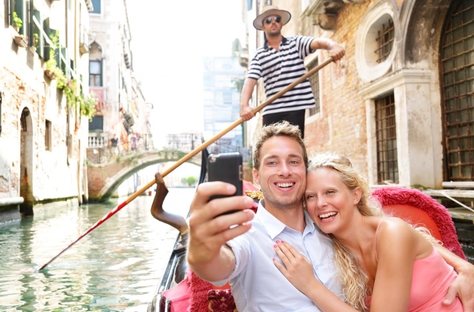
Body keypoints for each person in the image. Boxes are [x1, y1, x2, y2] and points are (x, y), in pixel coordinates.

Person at [186, 120, 474, 311]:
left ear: (303, 172)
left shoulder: (326, 225)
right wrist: (201, 248)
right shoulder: (246, 234)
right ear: (257, 176)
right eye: (273, 162)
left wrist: (465, 267)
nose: (285, 170)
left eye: (294, 161)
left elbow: (403, 237)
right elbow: (217, 265)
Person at [274, 153, 464, 311]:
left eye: (330, 192)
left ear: (356, 195)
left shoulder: (392, 232)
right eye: (311, 196)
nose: (321, 203)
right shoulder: (331, 250)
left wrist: (310, 286)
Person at [239, 5, 345, 138]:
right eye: (268, 20)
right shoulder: (259, 54)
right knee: (269, 150)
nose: (273, 22)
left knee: (294, 149)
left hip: (295, 108)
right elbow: (250, 80)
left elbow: (318, 42)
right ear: (262, 26)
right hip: (271, 109)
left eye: (277, 19)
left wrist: (333, 46)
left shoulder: (296, 43)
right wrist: (244, 105)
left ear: (281, 23)